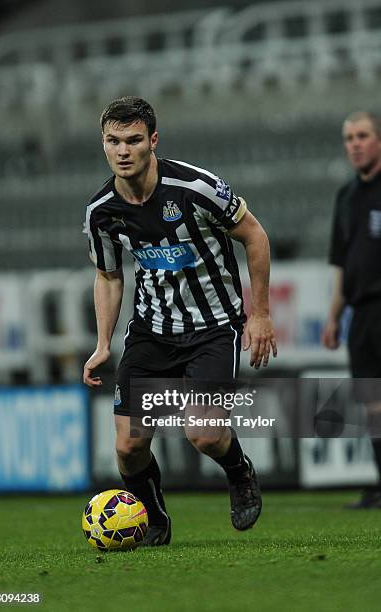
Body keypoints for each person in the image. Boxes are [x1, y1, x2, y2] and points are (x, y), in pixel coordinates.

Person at [83, 96, 277, 544]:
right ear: (104, 145)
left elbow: (256, 236)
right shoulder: (101, 212)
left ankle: (239, 470)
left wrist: (261, 314)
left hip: (213, 327)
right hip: (152, 331)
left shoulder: (197, 187)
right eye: (114, 141)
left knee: (205, 434)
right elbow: (108, 276)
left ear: (153, 140)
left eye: (133, 140)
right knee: (128, 448)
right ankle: (154, 519)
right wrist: (102, 343)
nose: (123, 151)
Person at [322, 110, 381, 509]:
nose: (355, 143)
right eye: (349, 137)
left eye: (362, 135)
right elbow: (342, 262)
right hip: (361, 313)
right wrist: (333, 316)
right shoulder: (346, 196)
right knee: (373, 402)